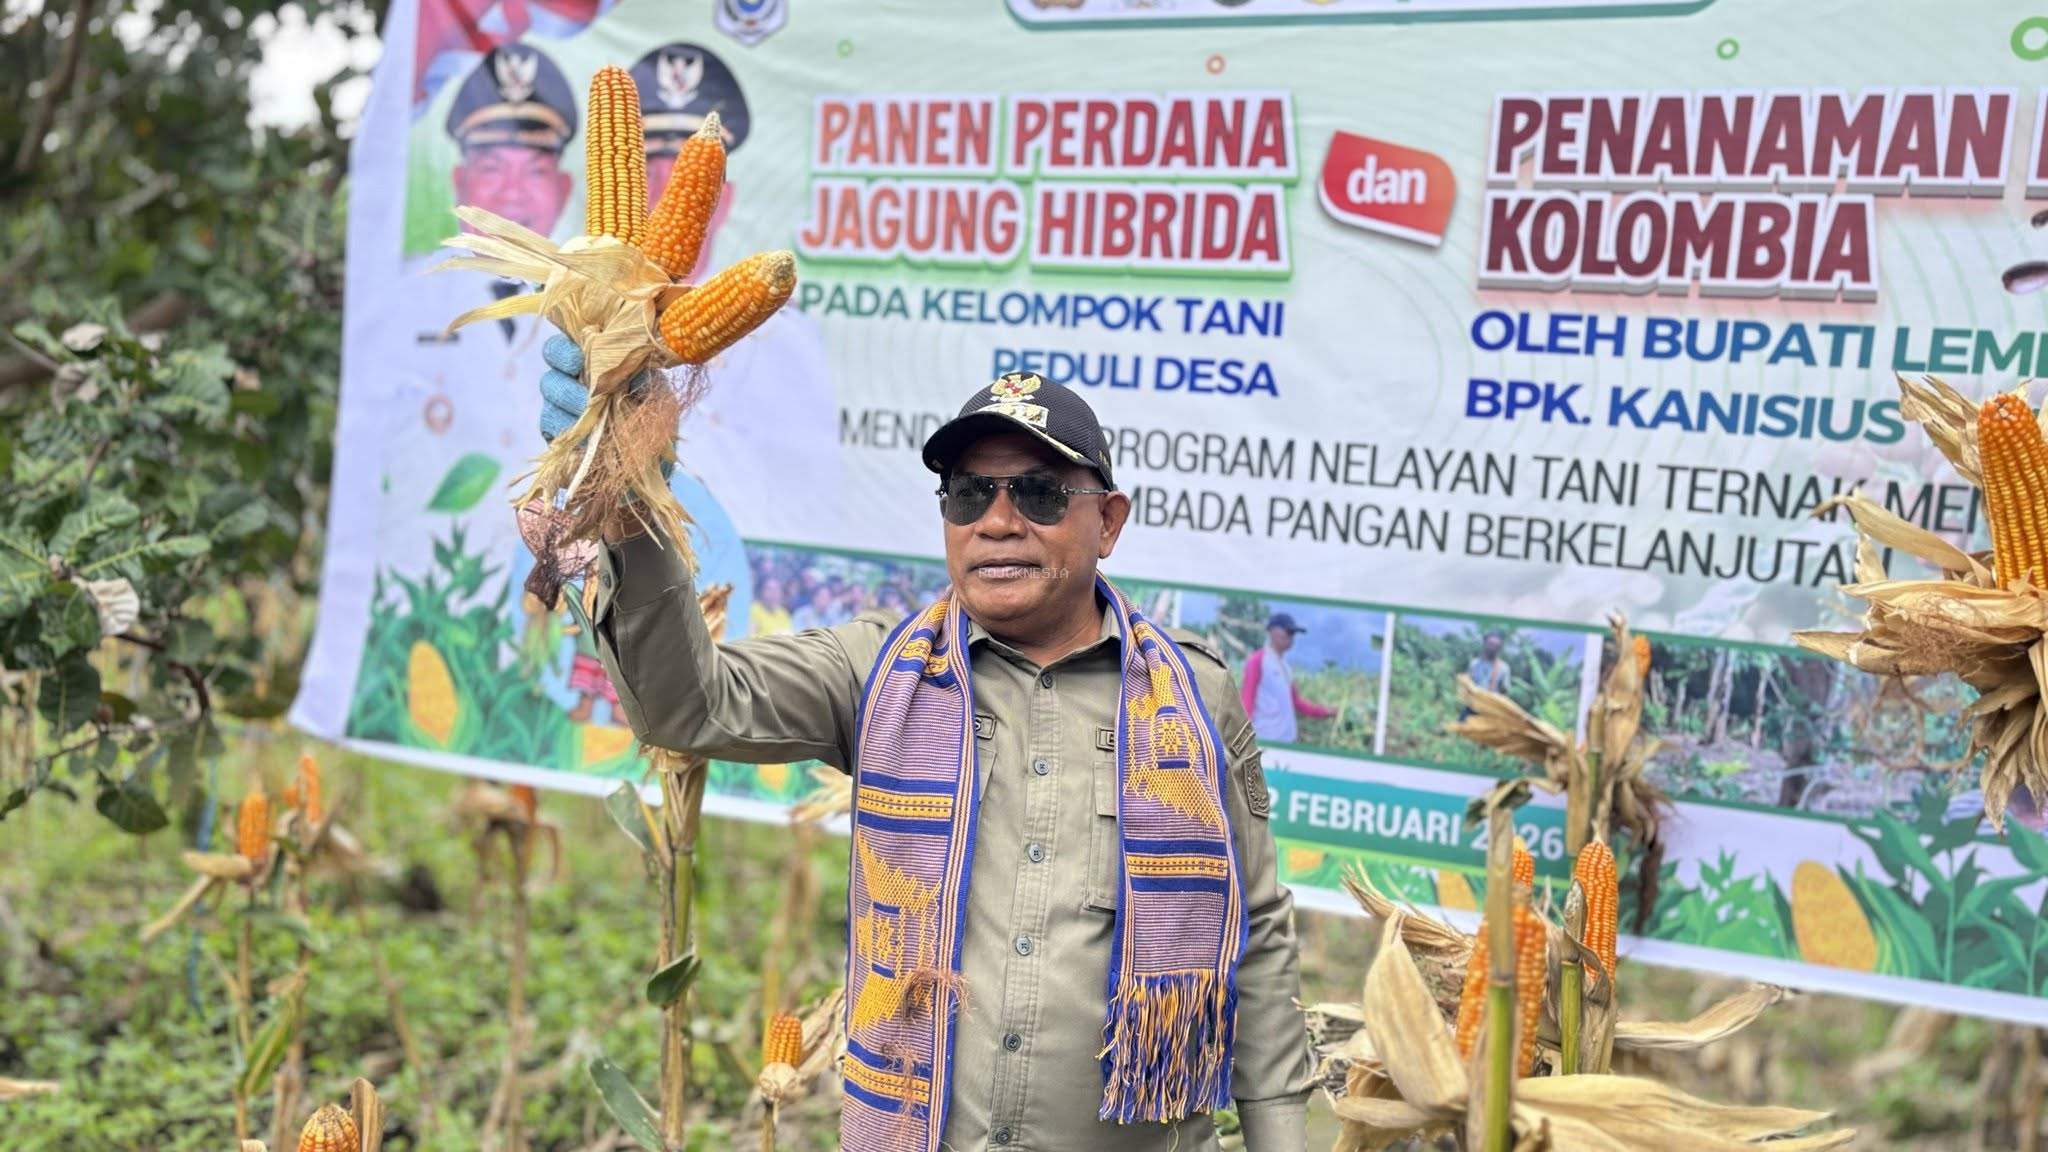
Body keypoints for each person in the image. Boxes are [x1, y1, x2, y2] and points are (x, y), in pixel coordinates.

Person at [547, 363, 1313, 1149]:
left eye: (1040, 493)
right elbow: (687, 706)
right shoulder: (878, 672)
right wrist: (630, 509)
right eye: (969, 493)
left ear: (1109, 522)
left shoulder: (1195, 697)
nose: (999, 521)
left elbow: (1255, 939)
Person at [1240, 612, 1336, 745]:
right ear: (1273, 632)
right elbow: (1247, 700)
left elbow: (1296, 702)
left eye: (1293, 634)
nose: (1291, 638)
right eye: (1288, 632)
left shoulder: (1285, 667)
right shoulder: (1257, 661)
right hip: (1265, 740)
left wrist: (1325, 712)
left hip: (1287, 740)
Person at [1469, 629, 1511, 694]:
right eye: (1490, 644)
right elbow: (1467, 683)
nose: (1492, 648)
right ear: (1485, 643)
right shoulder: (1474, 663)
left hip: (1491, 703)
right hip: (1472, 702)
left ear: (1500, 647)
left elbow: (1504, 691)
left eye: (1496, 645)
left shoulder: (1504, 667)